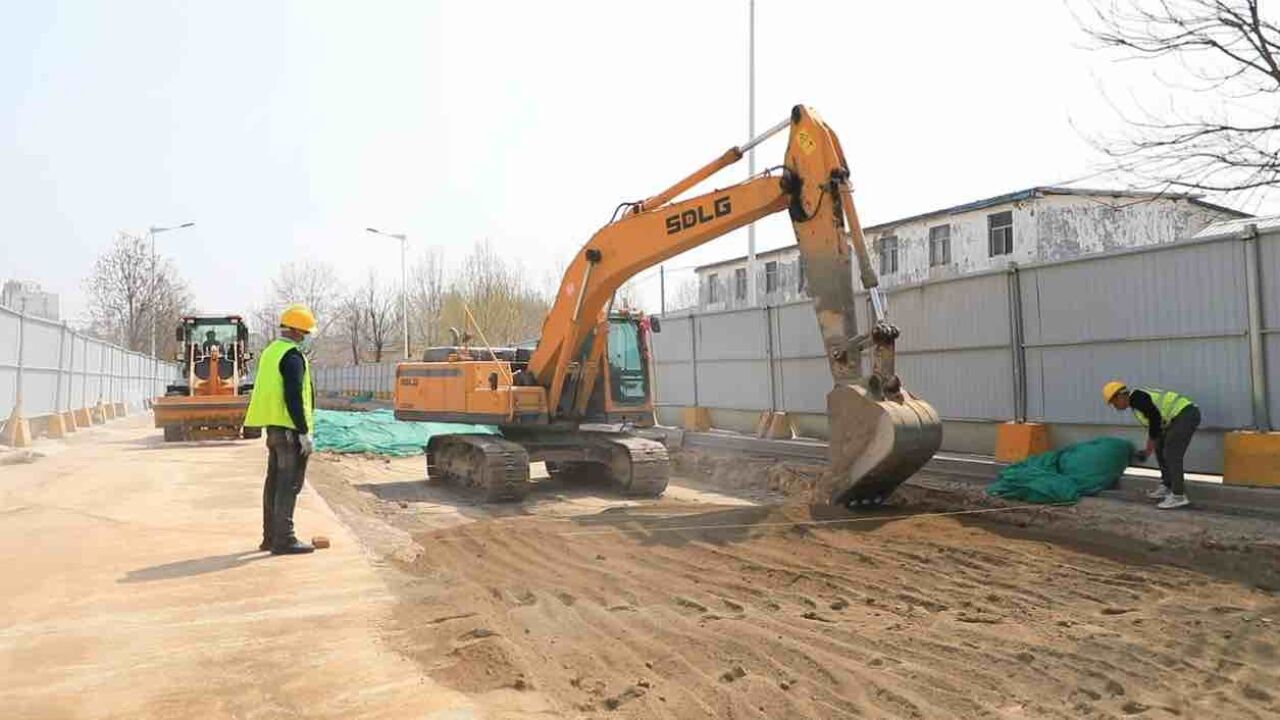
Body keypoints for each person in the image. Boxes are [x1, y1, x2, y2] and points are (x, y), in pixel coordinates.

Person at [244, 304, 318, 554]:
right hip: (289, 431)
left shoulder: (270, 352)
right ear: (297, 331)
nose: (305, 337)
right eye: (305, 333)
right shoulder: (292, 356)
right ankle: (284, 538)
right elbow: (294, 395)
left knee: (274, 483)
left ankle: (270, 537)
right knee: (289, 484)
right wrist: (303, 431)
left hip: (274, 429)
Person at [1102, 381, 1200, 510]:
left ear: (1120, 396)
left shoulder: (1138, 399)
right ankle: (1167, 485)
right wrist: (1149, 449)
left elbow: (1155, 420)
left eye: (1114, 403)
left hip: (1185, 415)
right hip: (1177, 418)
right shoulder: (1136, 402)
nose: (1115, 407)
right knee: (1159, 447)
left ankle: (1178, 496)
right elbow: (1155, 429)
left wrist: (1148, 450)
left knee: (1171, 453)